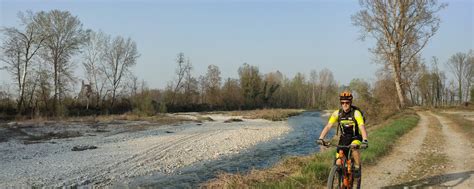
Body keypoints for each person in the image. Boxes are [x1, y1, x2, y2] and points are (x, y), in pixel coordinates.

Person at [317, 91, 368, 178]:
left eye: (347, 102)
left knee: (354, 147)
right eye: (342, 102)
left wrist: (365, 140)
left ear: (350, 102)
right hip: (344, 138)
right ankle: (342, 181)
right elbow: (328, 126)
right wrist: (321, 138)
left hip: (356, 137)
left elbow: (361, 126)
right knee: (338, 162)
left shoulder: (356, 113)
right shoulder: (337, 113)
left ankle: (357, 168)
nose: (345, 104)